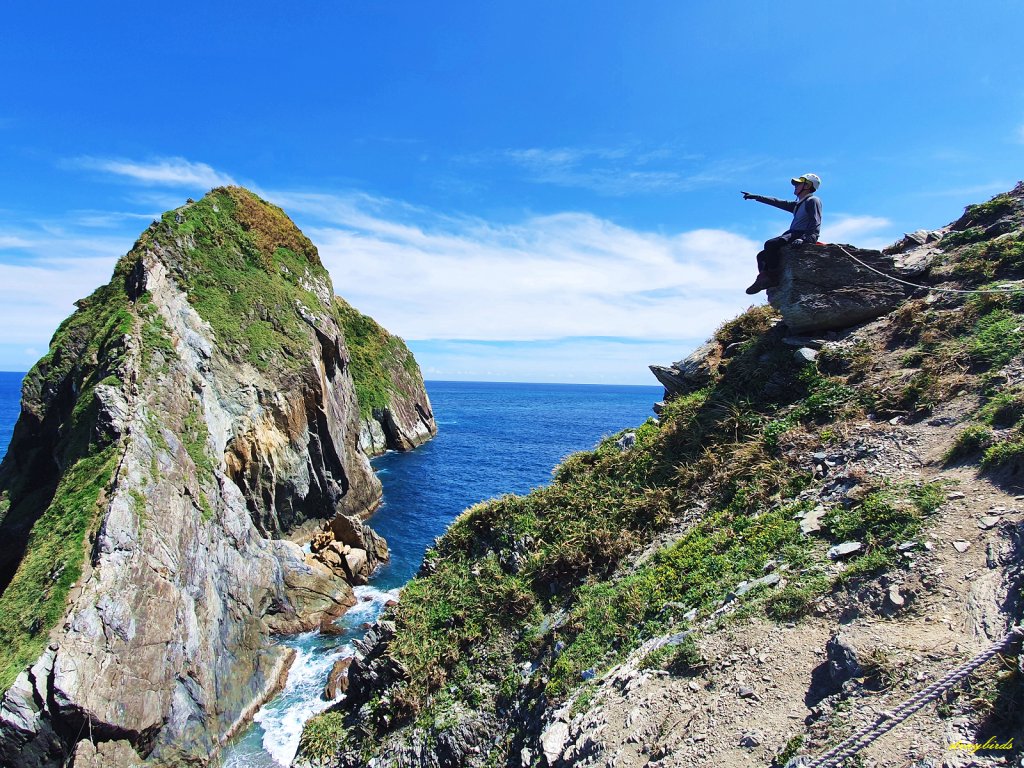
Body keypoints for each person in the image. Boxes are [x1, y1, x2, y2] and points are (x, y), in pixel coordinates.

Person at [740, 173, 822, 294]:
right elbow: (777, 202)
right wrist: (757, 197)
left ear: (808, 185)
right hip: (793, 234)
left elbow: (815, 221)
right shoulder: (797, 204)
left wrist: (806, 239)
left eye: (799, 183)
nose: (795, 186)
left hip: (800, 234)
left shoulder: (812, 200)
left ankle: (772, 278)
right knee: (761, 256)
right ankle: (763, 278)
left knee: (770, 244)